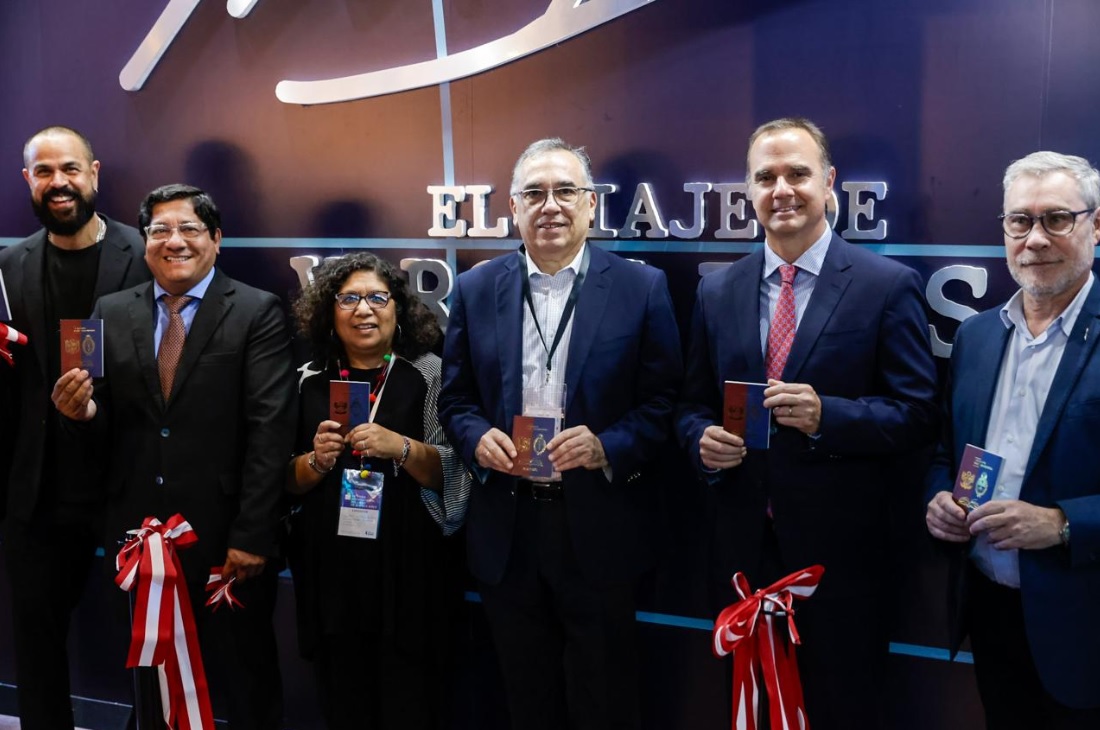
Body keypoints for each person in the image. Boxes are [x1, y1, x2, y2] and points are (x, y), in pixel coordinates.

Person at [676, 117, 938, 729]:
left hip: (841, 564)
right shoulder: (718, 291)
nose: (782, 190)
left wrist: (828, 417)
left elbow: (919, 415)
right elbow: (689, 406)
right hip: (742, 554)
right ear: (748, 190)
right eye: (765, 177)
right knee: (751, 711)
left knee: (841, 709)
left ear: (829, 182)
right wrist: (700, 442)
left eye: (798, 173)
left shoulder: (885, 286)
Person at [439, 138, 683, 730]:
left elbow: (664, 401)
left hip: (598, 525)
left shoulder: (641, 288)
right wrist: (475, 438)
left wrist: (607, 446)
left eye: (565, 191)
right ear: (514, 209)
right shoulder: (475, 288)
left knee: (605, 699)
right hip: (508, 525)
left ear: (591, 204)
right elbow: (455, 398)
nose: (550, 205)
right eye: (534, 194)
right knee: (527, 697)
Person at [51, 183, 295, 728]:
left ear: (216, 238)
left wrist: (252, 534)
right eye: (159, 230)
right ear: (144, 242)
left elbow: (270, 431)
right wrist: (81, 414)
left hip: (226, 540)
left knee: (245, 679)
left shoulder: (257, 310)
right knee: (152, 678)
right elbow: (101, 425)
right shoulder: (110, 311)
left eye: (188, 228)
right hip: (138, 538)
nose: (174, 241)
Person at [925, 151, 1100, 729]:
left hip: (1084, 624)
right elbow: (946, 452)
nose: (1035, 239)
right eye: (1020, 220)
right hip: (990, 611)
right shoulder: (977, 336)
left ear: (1096, 225)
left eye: (1057, 218)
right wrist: (938, 499)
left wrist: (1063, 524)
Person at [0, 125, 149, 730]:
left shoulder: (146, 254)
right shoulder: (9, 265)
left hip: (126, 483)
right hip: (37, 491)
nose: (57, 182)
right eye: (43, 171)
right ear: (27, 181)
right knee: (36, 647)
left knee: (151, 640)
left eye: (69, 169)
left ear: (94, 173)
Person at [285, 252, 470, 730]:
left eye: (376, 298)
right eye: (348, 299)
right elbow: (283, 480)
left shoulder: (429, 373)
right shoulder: (308, 378)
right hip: (331, 572)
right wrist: (316, 460)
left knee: (410, 700)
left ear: (397, 308)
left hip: (409, 570)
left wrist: (401, 448)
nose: (363, 310)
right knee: (341, 699)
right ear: (329, 311)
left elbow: (455, 472)